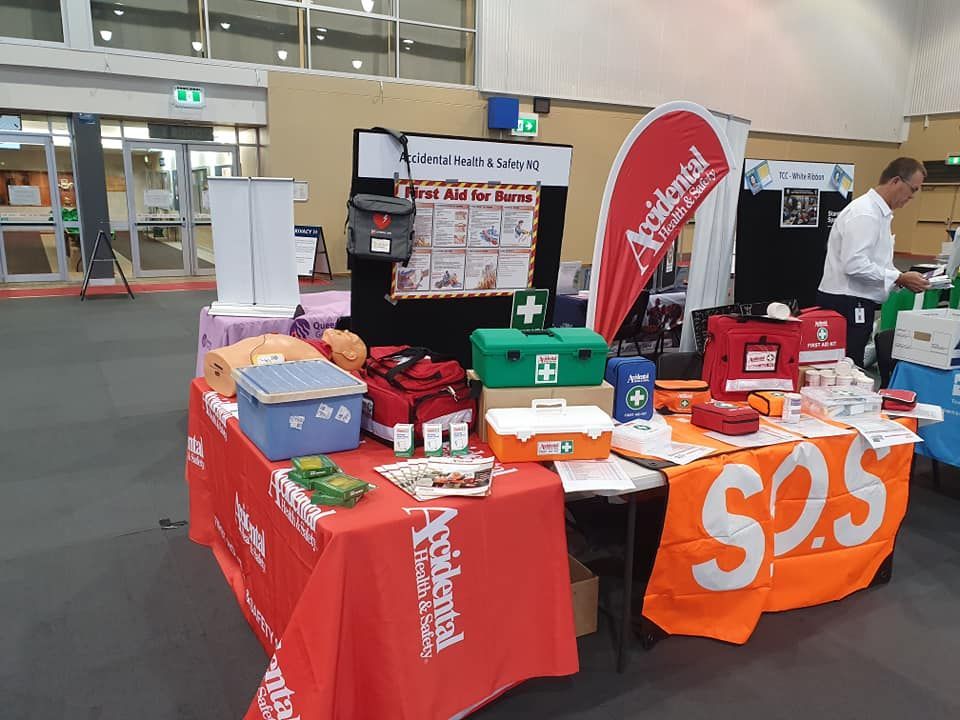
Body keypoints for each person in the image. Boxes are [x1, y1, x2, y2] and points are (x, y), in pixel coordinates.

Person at [816, 157, 931, 367]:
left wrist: (899, 280)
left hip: (855, 302)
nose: (912, 197)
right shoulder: (866, 213)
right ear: (896, 181)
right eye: (912, 190)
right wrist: (899, 277)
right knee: (846, 367)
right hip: (847, 302)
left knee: (850, 364)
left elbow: (874, 262)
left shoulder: (880, 214)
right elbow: (854, 264)